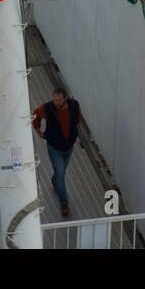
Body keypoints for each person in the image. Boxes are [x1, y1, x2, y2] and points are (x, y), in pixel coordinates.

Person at [32, 87, 82, 217]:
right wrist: (39, 132)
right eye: (54, 99)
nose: (56, 102)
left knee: (61, 172)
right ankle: (64, 203)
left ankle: (54, 181)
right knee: (61, 175)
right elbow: (35, 114)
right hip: (54, 148)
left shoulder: (74, 105)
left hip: (69, 147)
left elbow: (77, 120)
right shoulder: (48, 108)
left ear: (65, 98)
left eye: (58, 100)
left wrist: (76, 136)